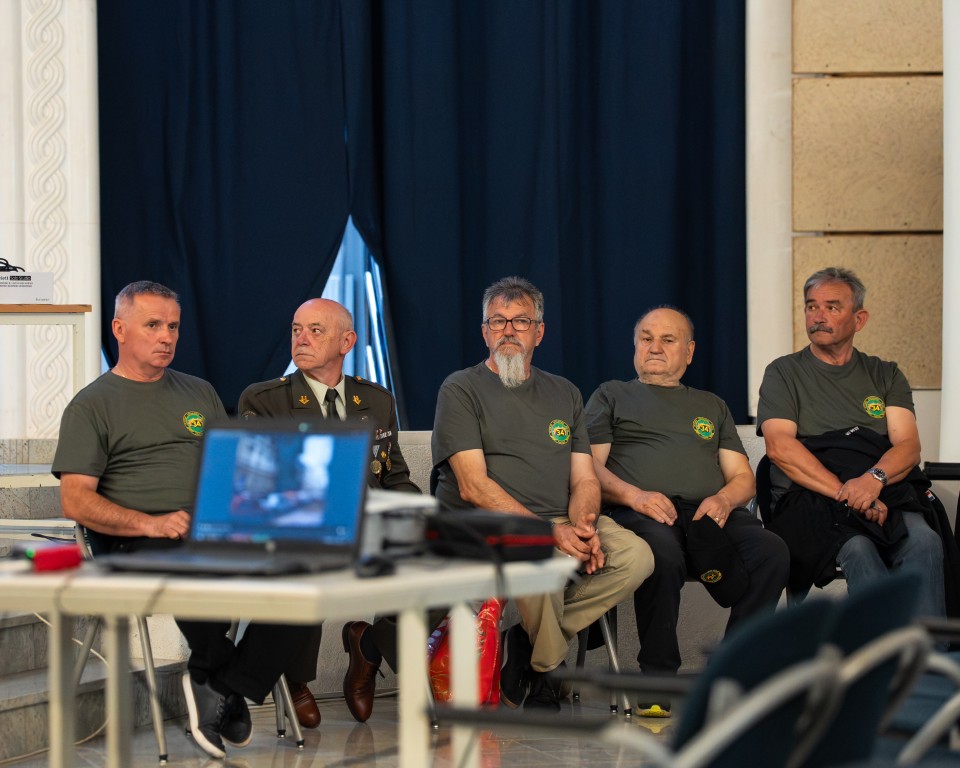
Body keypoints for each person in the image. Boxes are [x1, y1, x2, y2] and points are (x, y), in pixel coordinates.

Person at [52, 281, 316, 760]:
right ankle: (222, 682)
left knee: (306, 576)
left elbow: (232, 471)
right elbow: (75, 501)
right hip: (137, 539)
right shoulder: (92, 405)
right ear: (119, 330)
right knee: (197, 567)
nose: (166, 336)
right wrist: (149, 524)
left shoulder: (199, 391)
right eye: (153, 325)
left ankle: (222, 685)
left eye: (173, 326)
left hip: (212, 527)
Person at [431, 276, 654, 710]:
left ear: (539, 332)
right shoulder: (460, 388)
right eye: (498, 321)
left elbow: (584, 479)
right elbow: (473, 486)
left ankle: (527, 644)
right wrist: (550, 534)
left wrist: (583, 526)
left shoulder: (564, 392)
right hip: (487, 524)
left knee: (637, 557)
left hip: (560, 520)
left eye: (521, 321)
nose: (508, 330)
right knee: (543, 559)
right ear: (484, 332)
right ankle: (547, 671)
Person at [585, 307, 789, 717]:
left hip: (708, 513)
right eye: (646, 338)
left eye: (668, 339)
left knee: (772, 552)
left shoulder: (711, 405)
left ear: (690, 351)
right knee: (661, 552)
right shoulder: (611, 395)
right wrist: (635, 496)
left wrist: (724, 500)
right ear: (635, 346)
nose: (654, 347)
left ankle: (729, 674)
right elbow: (588, 468)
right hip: (640, 512)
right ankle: (657, 681)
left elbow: (742, 478)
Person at [237, 297, 422, 726]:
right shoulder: (265, 400)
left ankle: (369, 649)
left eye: (315, 330)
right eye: (296, 329)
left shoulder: (376, 400)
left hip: (369, 528)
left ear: (347, 341)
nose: (301, 338)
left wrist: (419, 516)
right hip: (299, 528)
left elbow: (393, 475)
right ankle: (295, 678)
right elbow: (260, 486)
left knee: (446, 558)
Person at [758, 266, 946, 618]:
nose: (818, 316)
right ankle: (879, 647)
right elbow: (780, 448)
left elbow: (908, 446)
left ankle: (928, 649)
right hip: (812, 500)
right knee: (859, 548)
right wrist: (850, 494)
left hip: (881, 491)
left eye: (832, 307)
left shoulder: (885, 374)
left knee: (925, 540)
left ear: (859, 319)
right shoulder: (783, 372)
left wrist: (872, 481)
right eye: (811, 306)